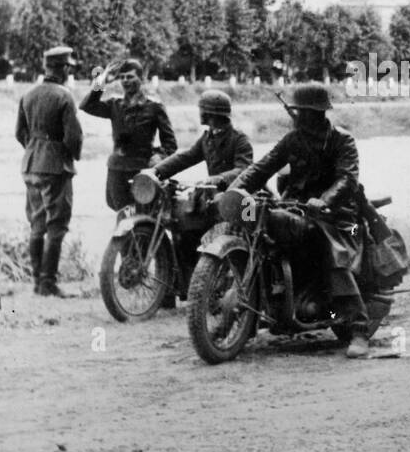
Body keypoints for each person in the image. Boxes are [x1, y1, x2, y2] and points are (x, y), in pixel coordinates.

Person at [227, 84, 372, 358]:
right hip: (296, 208)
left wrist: (325, 200)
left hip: (337, 216)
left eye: (307, 112)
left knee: (334, 255)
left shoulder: (342, 141)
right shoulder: (293, 140)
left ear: (320, 113)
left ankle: (359, 330)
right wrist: (234, 191)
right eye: (299, 112)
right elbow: (262, 167)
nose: (302, 118)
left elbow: (347, 179)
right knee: (262, 224)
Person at [16, 46, 83, 298]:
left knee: (37, 223)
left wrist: (35, 149)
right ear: (63, 68)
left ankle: (37, 282)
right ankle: (48, 283)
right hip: (56, 167)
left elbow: (19, 133)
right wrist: (67, 155)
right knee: (57, 226)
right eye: (68, 67)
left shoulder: (28, 94)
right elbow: (73, 137)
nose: (69, 72)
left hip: (31, 164)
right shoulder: (64, 96)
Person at [79, 59, 178, 211]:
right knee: (121, 215)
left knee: (144, 217)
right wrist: (102, 79)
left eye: (130, 77)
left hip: (142, 170)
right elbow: (87, 105)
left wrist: (158, 156)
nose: (125, 81)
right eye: (122, 77)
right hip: (117, 170)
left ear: (141, 78)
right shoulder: (114, 105)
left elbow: (170, 144)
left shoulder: (154, 107)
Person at [152, 89, 253, 190]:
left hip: (237, 195)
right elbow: (185, 158)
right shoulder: (207, 138)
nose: (199, 113)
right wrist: (156, 171)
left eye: (201, 109)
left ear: (210, 114)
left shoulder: (239, 139)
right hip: (216, 193)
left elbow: (243, 170)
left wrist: (217, 179)